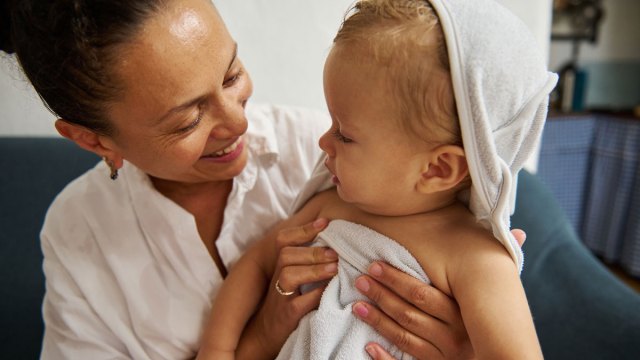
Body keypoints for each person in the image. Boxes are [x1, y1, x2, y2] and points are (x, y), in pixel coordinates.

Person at [1, 0, 529, 359]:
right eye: (187, 119)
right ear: (94, 140)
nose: (237, 123)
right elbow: (256, 267)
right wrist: (255, 340)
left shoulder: (337, 160)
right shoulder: (80, 231)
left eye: (232, 74)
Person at [199, 0, 557, 359]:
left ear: (437, 169)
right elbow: (255, 265)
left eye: (345, 134)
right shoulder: (331, 207)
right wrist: (216, 350)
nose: (324, 142)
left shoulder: (477, 259)